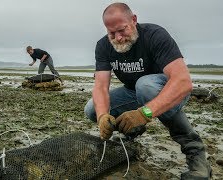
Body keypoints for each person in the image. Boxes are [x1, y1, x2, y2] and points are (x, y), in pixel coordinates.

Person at [84, 3, 211, 179]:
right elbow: (100, 86)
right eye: (112, 33)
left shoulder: (154, 35)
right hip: (133, 93)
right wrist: (102, 117)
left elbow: (183, 81)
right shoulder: (103, 46)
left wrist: (143, 114)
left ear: (134, 20)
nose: (118, 38)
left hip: (167, 90)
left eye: (122, 30)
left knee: (145, 86)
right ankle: (132, 131)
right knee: (92, 109)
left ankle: (195, 152)